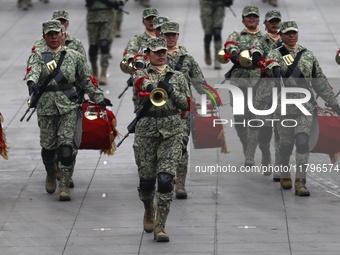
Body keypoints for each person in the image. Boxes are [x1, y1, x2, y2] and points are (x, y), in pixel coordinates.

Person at [24, 20, 107, 201]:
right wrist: (31, 83)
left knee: (66, 148)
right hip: (46, 107)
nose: (53, 37)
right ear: (44, 36)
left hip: (69, 107)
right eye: (49, 34)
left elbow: (86, 79)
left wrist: (99, 97)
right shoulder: (37, 55)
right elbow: (33, 72)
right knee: (47, 149)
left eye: (56, 33)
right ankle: (50, 173)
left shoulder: (74, 56)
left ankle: (64, 186)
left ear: (63, 35)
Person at [266, 20, 340, 196]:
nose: (292, 36)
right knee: (285, 145)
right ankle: (285, 174)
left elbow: (320, 82)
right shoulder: (275, 53)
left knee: (302, 142)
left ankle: (301, 183)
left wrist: (334, 104)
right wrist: (275, 71)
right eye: (288, 33)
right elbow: (271, 65)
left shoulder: (308, 55)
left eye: (294, 33)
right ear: (281, 35)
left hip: (304, 107)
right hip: (283, 106)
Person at [132, 37, 190, 242]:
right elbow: (140, 89)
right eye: (156, 52)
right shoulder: (140, 75)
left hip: (172, 132)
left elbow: (185, 105)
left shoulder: (179, 77)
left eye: (163, 51)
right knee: (147, 183)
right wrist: (151, 87)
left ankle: (161, 225)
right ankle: (149, 208)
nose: (161, 55)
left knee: (165, 180)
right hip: (147, 133)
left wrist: (172, 91)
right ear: (148, 54)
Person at [161, 21, 214, 199]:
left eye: (173, 35)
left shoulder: (187, 59)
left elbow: (200, 82)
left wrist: (210, 98)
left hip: (182, 111)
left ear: (177, 36)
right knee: (160, 147)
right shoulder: (154, 57)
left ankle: (181, 184)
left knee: (182, 148)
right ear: (161, 35)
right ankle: (165, 177)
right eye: (167, 35)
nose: (170, 38)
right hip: (160, 112)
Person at [224, 5, 264, 166]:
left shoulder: (264, 38)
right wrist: (234, 53)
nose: (252, 19)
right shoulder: (237, 35)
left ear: (259, 19)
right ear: (243, 20)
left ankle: (250, 154)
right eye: (248, 17)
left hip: (258, 83)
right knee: (240, 118)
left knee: (254, 117)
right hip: (239, 82)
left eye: (254, 16)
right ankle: (245, 143)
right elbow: (229, 44)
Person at [250, 10, 282, 180]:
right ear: (265, 24)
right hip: (264, 87)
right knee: (264, 130)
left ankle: (278, 165)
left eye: (277, 21)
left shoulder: (286, 40)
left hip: (282, 89)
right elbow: (256, 54)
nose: (274, 24)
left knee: (280, 128)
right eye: (271, 22)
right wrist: (260, 60)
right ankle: (265, 153)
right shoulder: (260, 40)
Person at [86, 0, 124, 85]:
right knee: (93, 47)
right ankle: (95, 71)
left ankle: (103, 73)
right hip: (92, 15)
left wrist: (121, 2)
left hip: (108, 15)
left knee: (104, 45)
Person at [199, 0, 233, 70]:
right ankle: (207, 51)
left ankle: (217, 59)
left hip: (219, 4)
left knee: (217, 32)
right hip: (206, 4)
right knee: (208, 33)